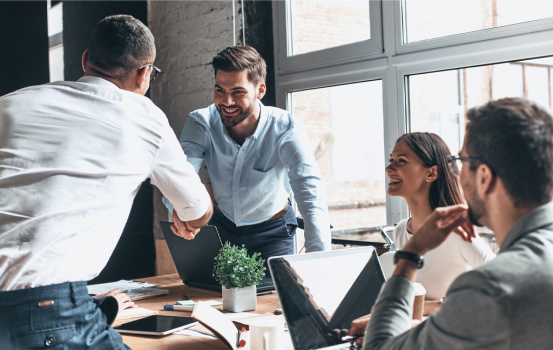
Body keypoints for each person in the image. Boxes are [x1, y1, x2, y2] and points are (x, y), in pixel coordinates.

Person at [0, 15, 212, 349]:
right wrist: (184, 213)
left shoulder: (10, 103)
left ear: (85, 60)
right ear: (144, 75)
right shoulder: (144, 116)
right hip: (46, 311)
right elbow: (199, 211)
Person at [349, 97, 553, 350]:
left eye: (461, 162)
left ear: (484, 177)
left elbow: (379, 346)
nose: (455, 172)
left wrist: (410, 256)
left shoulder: (491, 286)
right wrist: (429, 327)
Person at [163, 46, 331, 262]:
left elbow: (310, 193)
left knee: (277, 295)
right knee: (211, 294)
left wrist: (319, 260)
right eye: (220, 90)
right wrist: (179, 209)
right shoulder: (201, 122)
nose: (227, 102)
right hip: (221, 227)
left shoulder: (287, 129)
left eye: (238, 92)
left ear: (260, 91)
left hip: (273, 233)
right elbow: (179, 175)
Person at [385, 132, 495, 313]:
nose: (389, 168)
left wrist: (430, 307)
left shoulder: (456, 233)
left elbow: (503, 285)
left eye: (401, 161)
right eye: (392, 159)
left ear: (431, 173)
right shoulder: (401, 230)